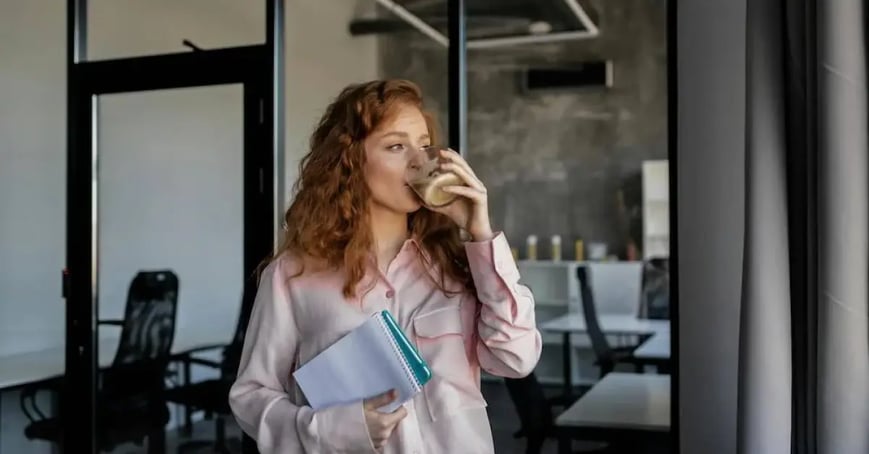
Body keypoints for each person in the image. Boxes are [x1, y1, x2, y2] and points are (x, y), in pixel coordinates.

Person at [229, 79, 542, 453]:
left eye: (424, 146)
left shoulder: (458, 262)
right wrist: (332, 429)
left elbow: (516, 359)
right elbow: (250, 396)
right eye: (396, 146)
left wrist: (480, 232)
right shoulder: (292, 275)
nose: (419, 161)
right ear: (349, 162)